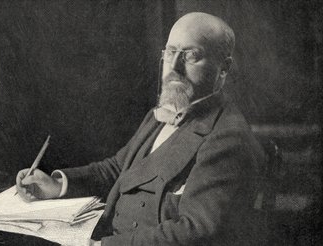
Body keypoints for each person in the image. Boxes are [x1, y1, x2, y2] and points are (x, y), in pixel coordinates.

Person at [16, 12, 264, 245]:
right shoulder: (162, 113)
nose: (174, 67)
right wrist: (58, 185)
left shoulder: (228, 138)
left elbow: (195, 230)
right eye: (170, 52)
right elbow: (116, 169)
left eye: (190, 56)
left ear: (224, 68)